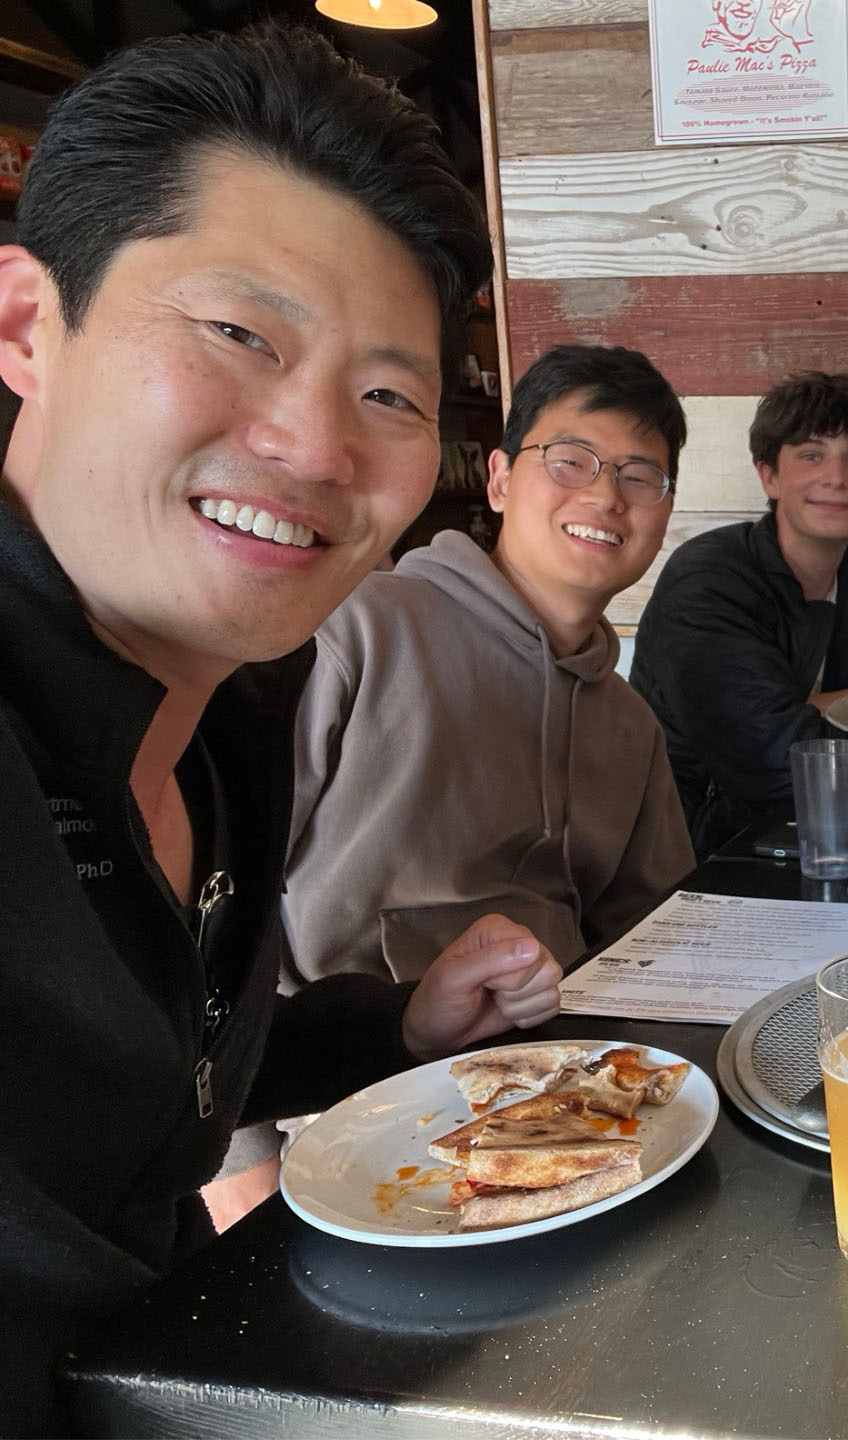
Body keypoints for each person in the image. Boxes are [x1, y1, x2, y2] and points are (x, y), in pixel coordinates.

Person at [0, 29, 564, 1431]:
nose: (316, 448)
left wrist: (392, 1026)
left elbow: (150, 1062)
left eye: (388, 395)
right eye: (240, 335)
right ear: (24, 325)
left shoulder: (224, 715)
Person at [282, 344, 696, 986]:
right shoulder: (358, 628)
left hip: (560, 1062)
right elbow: (216, 892)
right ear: (499, 479)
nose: (606, 496)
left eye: (639, 476)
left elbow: (653, 936)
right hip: (348, 1064)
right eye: (570, 462)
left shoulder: (630, 726)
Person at [630, 372, 848, 853]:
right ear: (769, 475)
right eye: (811, 455)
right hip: (701, 853)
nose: (836, 477)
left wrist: (814, 704)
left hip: (836, 837)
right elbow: (779, 763)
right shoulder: (709, 578)